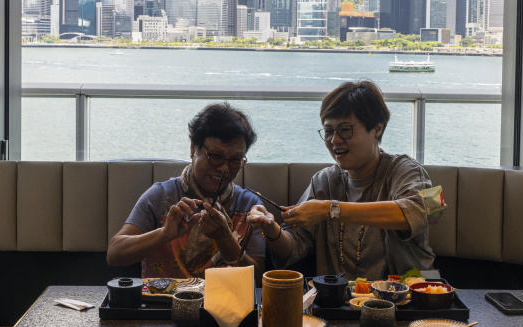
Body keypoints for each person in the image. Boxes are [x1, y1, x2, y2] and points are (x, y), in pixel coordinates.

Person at [248, 80, 435, 280]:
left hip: (413, 299)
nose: (335, 140)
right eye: (329, 131)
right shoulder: (325, 181)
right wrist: (271, 229)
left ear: (377, 129)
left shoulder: (408, 170)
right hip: (341, 302)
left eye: (345, 130)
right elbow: (293, 247)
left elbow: (426, 212)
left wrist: (331, 210)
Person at [107, 103, 265, 279]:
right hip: (164, 303)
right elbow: (114, 254)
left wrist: (225, 239)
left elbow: (258, 280)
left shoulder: (249, 206)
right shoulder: (162, 196)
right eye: (216, 156)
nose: (224, 168)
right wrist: (164, 234)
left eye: (235, 159)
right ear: (193, 149)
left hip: (224, 305)